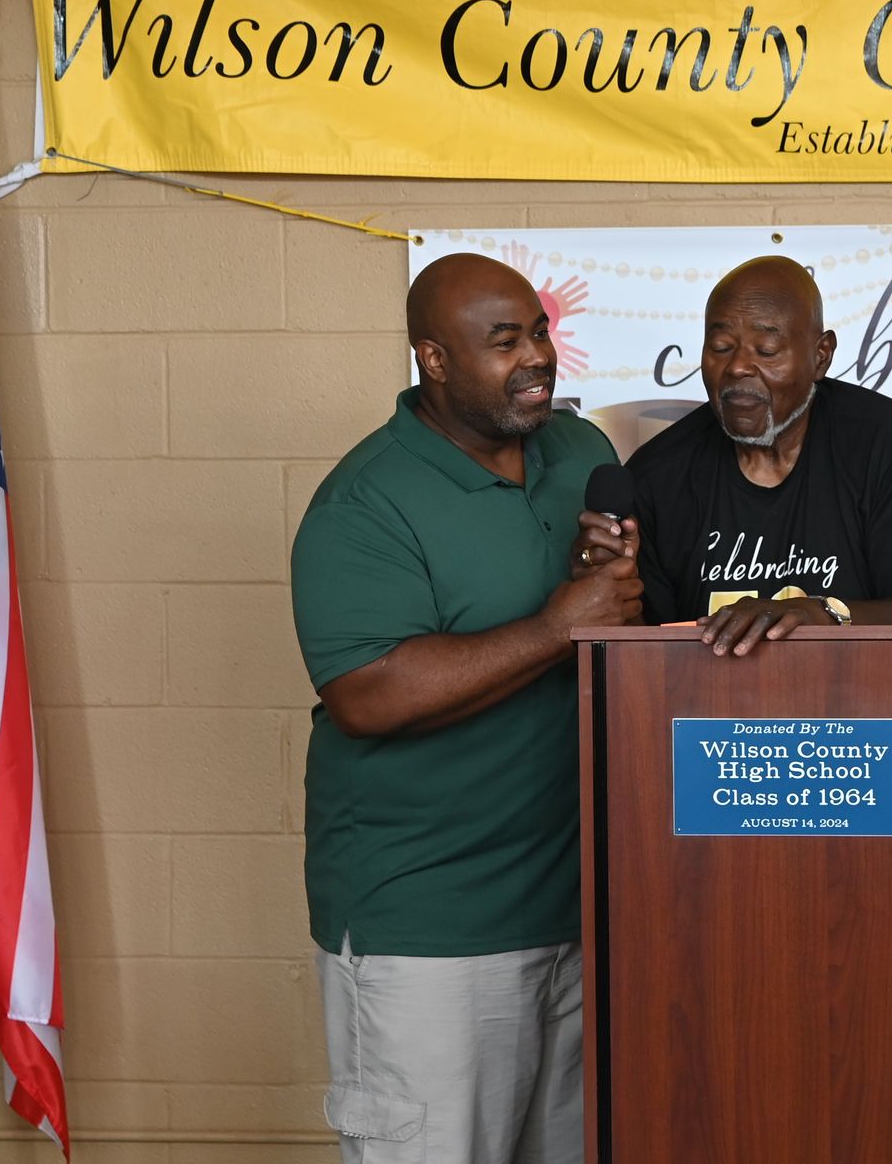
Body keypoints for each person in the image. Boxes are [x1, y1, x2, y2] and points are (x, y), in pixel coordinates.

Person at [289, 252, 641, 1164]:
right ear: (434, 359)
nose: (536, 357)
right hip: (429, 931)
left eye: (540, 333)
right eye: (503, 341)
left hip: (578, 911)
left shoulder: (580, 453)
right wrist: (557, 627)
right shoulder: (364, 502)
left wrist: (602, 587)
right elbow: (367, 694)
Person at [577, 255, 892, 656]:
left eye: (766, 350)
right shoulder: (659, 473)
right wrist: (611, 588)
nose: (737, 367)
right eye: (720, 347)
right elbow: (642, 650)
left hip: (865, 694)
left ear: (821, 356)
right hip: (707, 697)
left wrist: (817, 613)